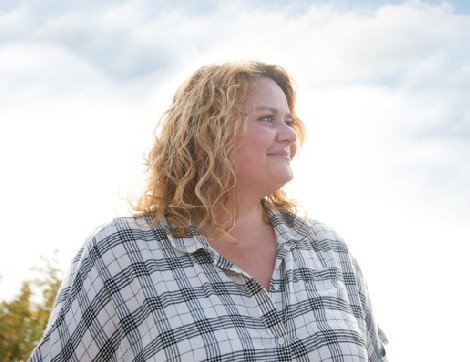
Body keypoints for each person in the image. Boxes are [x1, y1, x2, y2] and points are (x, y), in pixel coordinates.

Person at [29, 61, 388, 361]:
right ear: (209, 131)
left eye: (289, 121)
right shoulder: (124, 252)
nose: (289, 135)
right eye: (267, 118)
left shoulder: (327, 249)